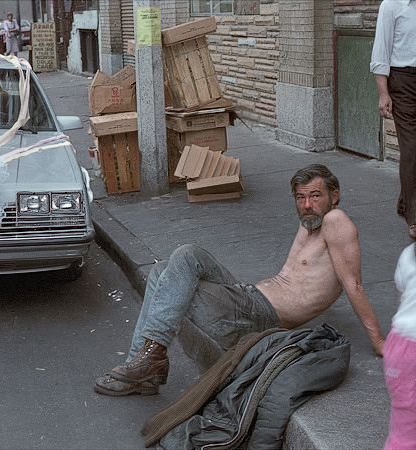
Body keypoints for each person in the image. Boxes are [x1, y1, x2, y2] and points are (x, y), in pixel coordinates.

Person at [95, 164, 386, 396]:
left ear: (334, 196)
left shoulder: (337, 221)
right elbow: (312, 278)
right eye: (300, 198)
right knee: (164, 270)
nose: (307, 204)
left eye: (315, 196)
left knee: (181, 260)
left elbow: (354, 285)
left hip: (258, 316)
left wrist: (380, 342)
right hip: (247, 297)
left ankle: (148, 358)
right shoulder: (311, 224)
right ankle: (146, 366)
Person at [370, 0, 416, 240]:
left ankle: (404, 202)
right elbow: (381, 51)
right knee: (412, 148)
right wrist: (383, 93)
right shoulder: (391, 5)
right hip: (403, 81)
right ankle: (414, 216)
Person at [383, 242, 416, 449]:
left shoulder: (408, 254)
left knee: (406, 427)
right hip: (409, 348)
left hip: (401, 346)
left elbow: (402, 298)